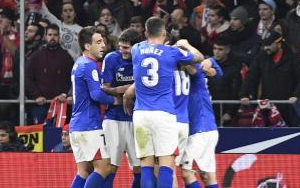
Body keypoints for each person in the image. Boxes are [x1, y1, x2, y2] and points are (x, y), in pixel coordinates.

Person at [130, 17, 203, 188]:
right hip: (164, 114)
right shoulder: (171, 53)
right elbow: (198, 57)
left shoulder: (136, 49)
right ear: (164, 33)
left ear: (145, 33)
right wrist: (184, 44)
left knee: (146, 167)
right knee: (166, 165)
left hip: (140, 114)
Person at [69, 26, 118, 188]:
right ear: (87, 46)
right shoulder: (89, 65)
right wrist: (114, 100)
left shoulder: (78, 63)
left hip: (76, 126)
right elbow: (96, 95)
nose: (103, 45)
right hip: (89, 125)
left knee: (84, 171)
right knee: (104, 167)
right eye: (98, 42)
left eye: (103, 41)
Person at [101, 28, 142, 187]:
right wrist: (130, 89)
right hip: (113, 119)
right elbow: (105, 88)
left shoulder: (142, 60)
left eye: (126, 47)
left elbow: (144, 86)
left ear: (136, 47)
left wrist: (117, 91)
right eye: (120, 46)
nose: (122, 50)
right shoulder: (111, 58)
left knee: (139, 168)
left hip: (137, 119)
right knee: (110, 167)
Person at [239, 30, 300, 125]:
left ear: (279, 44)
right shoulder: (261, 58)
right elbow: (251, 76)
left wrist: (297, 95)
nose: (266, 48)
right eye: (264, 45)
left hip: (288, 106)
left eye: (269, 44)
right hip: (267, 106)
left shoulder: (293, 58)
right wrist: (244, 94)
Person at [180, 58, 223, 188]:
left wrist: (209, 61)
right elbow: (218, 72)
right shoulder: (185, 76)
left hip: (201, 130)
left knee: (187, 173)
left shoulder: (196, 74)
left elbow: (216, 68)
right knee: (208, 176)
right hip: (206, 129)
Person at [24, 24, 73, 124]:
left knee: (59, 134)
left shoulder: (66, 57)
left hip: (61, 104)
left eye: (55, 35)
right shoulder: (37, 55)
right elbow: (28, 77)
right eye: (50, 35)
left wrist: (68, 95)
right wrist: (36, 95)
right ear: (45, 37)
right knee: (41, 133)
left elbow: (73, 79)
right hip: (41, 104)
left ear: (59, 37)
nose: (52, 37)